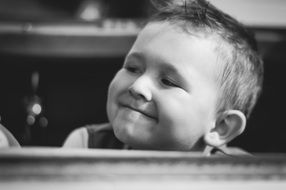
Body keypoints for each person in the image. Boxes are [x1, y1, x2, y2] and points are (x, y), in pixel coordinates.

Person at [63, 0, 263, 156]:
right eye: (133, 68)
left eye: (168, 81)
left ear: (220, 126)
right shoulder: (85, 147)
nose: (137, 86)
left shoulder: (245, 178)